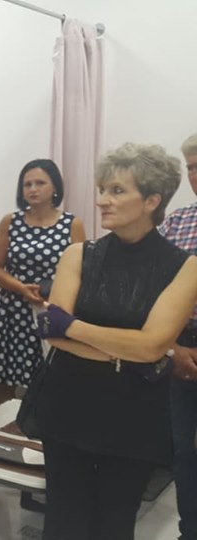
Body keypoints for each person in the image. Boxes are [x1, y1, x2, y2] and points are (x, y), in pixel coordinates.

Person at [36, 143, 197, 540]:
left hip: (133, 414)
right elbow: (53, 334)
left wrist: (73, 326)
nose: (102, 200)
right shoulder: (78, 254)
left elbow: (152, 346)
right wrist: (126, 347)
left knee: (114, 523)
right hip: (69, 402)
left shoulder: (185, 266)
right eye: (103, 189)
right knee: (63, 522)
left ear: (152, 200)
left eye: (117, 191)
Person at [0, 159, 85, 407]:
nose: (33, 189)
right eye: (27, 184)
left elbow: (82, 271)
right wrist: (21, 288)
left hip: (51, 312)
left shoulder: (72, 224)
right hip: (9, 313)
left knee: (48, 381)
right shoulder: (11, 221)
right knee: (2, 380)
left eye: (40, 183)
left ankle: (39, 430)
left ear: (55, 187)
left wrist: (54, 295)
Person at [164, 133, 197, 540]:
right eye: (190, 168)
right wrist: (173, 348)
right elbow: (153, 290)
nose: (194, 175)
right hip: (181, 342)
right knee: (183, 449)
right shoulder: (177, 221)